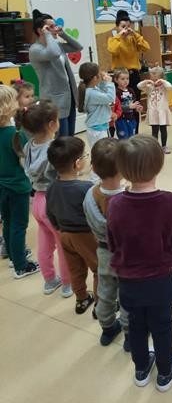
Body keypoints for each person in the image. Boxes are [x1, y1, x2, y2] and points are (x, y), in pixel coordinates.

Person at [107, 135, 172, 391]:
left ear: (122, 169)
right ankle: (165, 371)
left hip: (128, 281)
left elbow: (112, 242)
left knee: (136, 325)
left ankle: (141, 369)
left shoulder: (115, 204)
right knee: (162, 325)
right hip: (162, 279)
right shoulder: (170, 201)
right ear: (159, 165)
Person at [19, 100, 72, 296]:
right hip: (53, 201)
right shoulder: (55, 148)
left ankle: (50, 280)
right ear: (52, 124)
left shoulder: (29, 146)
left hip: (37, 201)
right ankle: (67, 284)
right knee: (63, 245)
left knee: (45, 244)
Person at [83, 138, 129, 349]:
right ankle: (130, 335)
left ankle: (107, 328)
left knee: (105, 292)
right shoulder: (128, 198)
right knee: (127, 295)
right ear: (124, 168)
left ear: (93, 167)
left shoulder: (89, 195)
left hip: (103, 252)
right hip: (126, 255)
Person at [46, 137, 97, 314]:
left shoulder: (51, 188)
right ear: (77, 163)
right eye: (84, 155)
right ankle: (101, 303)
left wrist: (59, 228)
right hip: (86, 235)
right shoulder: (86, 188)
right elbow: (94, 214)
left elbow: (50, 213)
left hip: (65, 235)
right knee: (99, 268)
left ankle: (81, 299)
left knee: (75, 269)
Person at [0, 85, 39, 278]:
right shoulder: (15, 134)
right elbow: (26, 162)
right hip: (17, 186)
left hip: (2, 186)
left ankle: (12, 254)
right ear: (8, 106)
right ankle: (21, 265)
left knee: (8, 221)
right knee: (19, 225)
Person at [29, 9, 83, 136]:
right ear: (40, 30)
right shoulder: (35, 49)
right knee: (62, 139)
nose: (55, 29)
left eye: (55, 26)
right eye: (51, 27)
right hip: (54, 101)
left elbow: (78, 47)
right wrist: (48, 35)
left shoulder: (56, 45)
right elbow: (53, 53)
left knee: (70, 136)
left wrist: (62, 34)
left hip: (68, 98)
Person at [107, 10, 149, 129]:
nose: (126, 29)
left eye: (128, 26)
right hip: (119, 77)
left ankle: (134, 131)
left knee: (134, 104)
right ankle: (120, 131)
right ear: (117, 27)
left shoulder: (133, 39)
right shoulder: (113, 40)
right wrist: (120, 36)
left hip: (133, 76)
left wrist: (135, 34)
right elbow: (112, 50)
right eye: (123, 26)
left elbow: (146, 47)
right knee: (118, 105)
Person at [78, 62, 116, 148]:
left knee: (98, 151)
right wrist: (109, 83)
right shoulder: (91, 93)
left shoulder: (91, 89)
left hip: (96, 127)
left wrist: (103, 82)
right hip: (99, 130)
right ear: (95, 78)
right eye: (99, 73)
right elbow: (110, 98)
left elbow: (102, 91)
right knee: (102, 152)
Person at [138, 66, 172, 153]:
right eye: (152, 78)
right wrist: (147, 81)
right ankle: (155, 147)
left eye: (156, 79)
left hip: (162, 112)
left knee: (163, 130)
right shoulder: (149, 87)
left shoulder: (164, 87)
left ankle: (164, 146)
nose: (154, 81)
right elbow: (139, 86)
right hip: (153, 113)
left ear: (161, 78)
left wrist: (162, 81)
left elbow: (170, 86)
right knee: (154, 131)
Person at [113, 68, 143, 139]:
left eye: (127, 78)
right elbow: (117, 107)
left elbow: (134, 102)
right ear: (116, 80)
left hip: (132, 118)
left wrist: (137, 107)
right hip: (121, 120)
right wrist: (129, 107)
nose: (126, 81)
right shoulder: (116, 92)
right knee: (124, 139)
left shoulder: (131, 90)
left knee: (132, 138)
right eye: (122, 79)